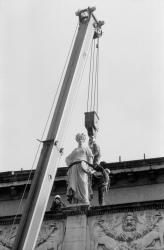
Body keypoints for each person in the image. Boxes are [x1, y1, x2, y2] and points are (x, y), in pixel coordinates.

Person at [65, 133, 95, 205]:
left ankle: (85, 200)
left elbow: (90, 158)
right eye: (79, 139)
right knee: (74, 184)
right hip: (74, 167)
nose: (80, 140)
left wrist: (90, 168)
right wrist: (70, 164)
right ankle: (75, 200)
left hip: (83, 167)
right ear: (77, 140)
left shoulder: (86, 148)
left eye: (81, 139)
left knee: (83, 182)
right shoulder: (75, 150)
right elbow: (68, 159)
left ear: (84, 140)